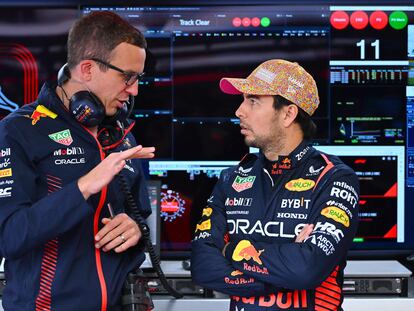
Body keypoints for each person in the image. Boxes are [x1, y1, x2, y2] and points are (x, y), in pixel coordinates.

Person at [0, 11, 155, 311]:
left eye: (139, 79)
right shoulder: (18, 131)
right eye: (128, 77)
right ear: (87, 68)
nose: (134, 90)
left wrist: (135, 230)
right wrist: (83, 187)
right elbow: (10, 236)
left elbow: (140, 217)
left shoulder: (120, 134)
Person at [191, 59, 359, 310]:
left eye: (253, 101)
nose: (239, 111)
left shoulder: (334, 179)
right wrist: (286, 273)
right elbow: (203, 267)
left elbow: (306, 269)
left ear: (288, 113)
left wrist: (230, 250)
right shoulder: (231, 179)